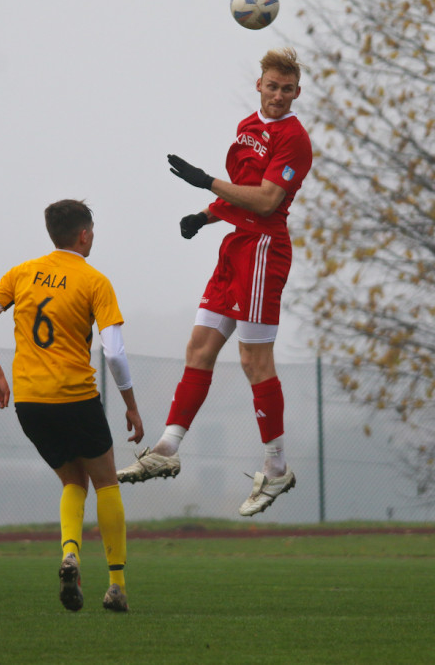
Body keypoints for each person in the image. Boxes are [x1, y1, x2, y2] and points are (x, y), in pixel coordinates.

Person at [116, 47, 313, 517]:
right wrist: (206, 216)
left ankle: (277, 465)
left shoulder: (295, 139)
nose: (279, 95)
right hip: (236, 247)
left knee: (252, 359)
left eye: (288, 89)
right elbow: (241, 190)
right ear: (260, 85)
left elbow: (266, 201)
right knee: (199, 349)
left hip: (264, 249)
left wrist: (207, 184)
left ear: (297, 93)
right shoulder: (248, 127)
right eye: (273, 86)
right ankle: (166, 448)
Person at [0, 199, 144, 613]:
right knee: (106, 483)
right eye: (93, 232)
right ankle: (116, 585)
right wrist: (131, 405)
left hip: (29, 401)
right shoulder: (94, 280)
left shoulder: (23, 272)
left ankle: (70, 554)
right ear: (84, 234)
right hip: (75, 396)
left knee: (71, 482)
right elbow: (114, 354)